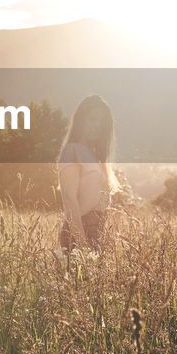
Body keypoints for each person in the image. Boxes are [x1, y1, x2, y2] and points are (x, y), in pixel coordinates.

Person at [57, 94, 116, 251]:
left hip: (97, 231)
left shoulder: (96, 156)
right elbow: (69, 200)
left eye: (102, 122)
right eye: (92, 119)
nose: (97, 126)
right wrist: (82, 243)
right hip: (79, 232)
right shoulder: (72, 151)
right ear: (81, 120)